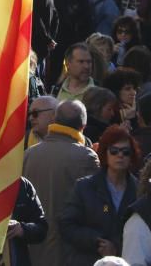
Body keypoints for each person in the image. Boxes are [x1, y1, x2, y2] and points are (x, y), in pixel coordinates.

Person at [22, 100, 100, 265]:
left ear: (54, 120)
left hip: (32, 250)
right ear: (83, 126)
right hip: (68, 252)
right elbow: (96, 207)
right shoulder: (86, 157)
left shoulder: (29, 155)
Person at [59, 125, 140, 265]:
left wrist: (116, 247)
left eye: (125, 152)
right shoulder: (84, 187)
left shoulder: (140, 191)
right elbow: (67, 225)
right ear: (105, 153)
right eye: (114, 151)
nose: (120, 155)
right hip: (88, 260)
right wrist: (97, 241)